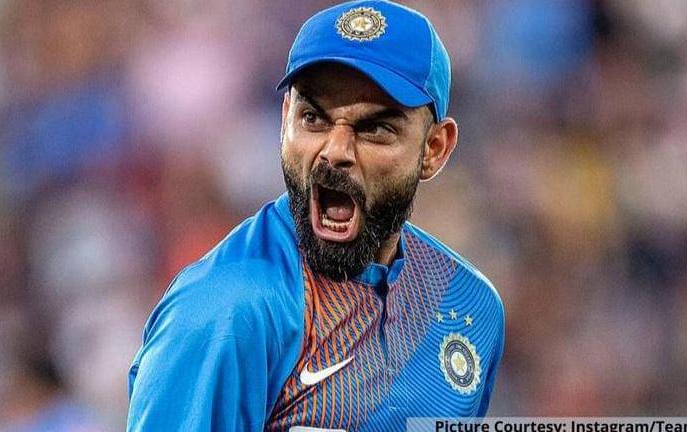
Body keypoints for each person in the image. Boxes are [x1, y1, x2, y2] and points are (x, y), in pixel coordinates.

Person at [126, 1, 505, 430]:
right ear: (284, 120)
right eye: (313, 118)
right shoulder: (229, 312)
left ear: (434, 148)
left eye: (375, 128)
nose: (335, 151)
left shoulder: (468, 304)